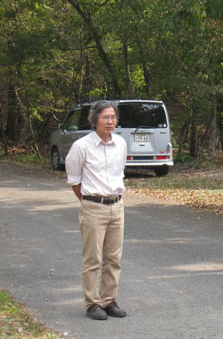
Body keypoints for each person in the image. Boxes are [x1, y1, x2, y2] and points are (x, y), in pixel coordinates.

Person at [65, 100, 128, 320]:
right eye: (105, 117)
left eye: (113, 117)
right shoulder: (81, 146)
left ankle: (109, 300)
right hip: (93, 206)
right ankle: (92, 303)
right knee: (92, 259)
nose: (111, 122)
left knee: (114, 258)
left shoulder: (120, 144)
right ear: (95, 120)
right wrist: (89, 201)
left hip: (117, 206)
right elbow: (74, 180)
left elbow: (120, 173)